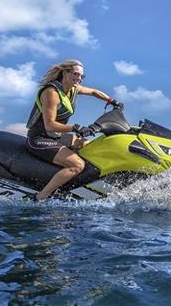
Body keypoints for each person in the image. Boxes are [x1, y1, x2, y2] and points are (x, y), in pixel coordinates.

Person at [25, 59, 123, 200]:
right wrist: (75, 128)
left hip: (56, 137)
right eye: (76, 74)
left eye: (81, 76)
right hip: (39, 139)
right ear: (65, 72)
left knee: (93, 146)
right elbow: (50, 125)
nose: (79, 79)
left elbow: (94, 92)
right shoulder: (51, 93)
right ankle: (41, 197)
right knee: (77, 165)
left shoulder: (73, 89)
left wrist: (113, 102)